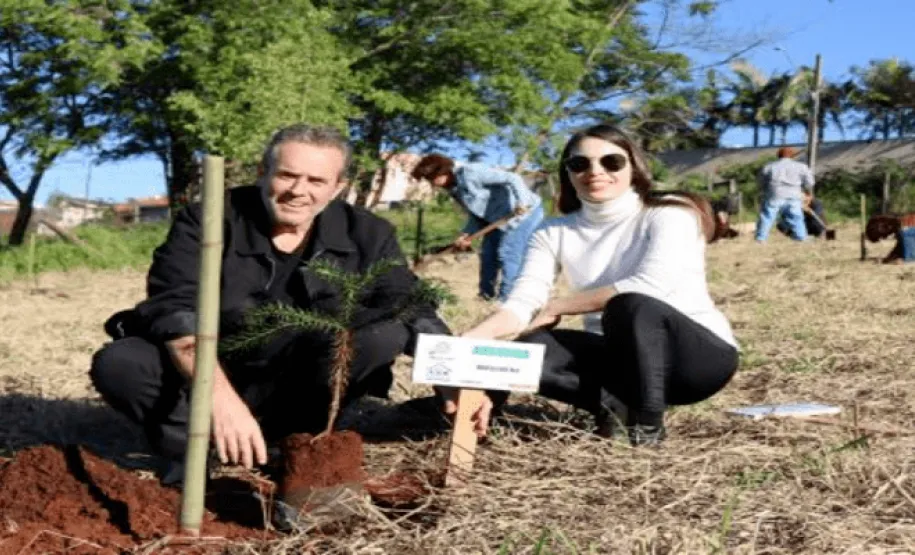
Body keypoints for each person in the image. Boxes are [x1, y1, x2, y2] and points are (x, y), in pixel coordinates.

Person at [90, 124, 451, 482]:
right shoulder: (209, 220)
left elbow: (407, 302)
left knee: (381, 335)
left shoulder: (368, 233)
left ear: (338, 187)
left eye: (316, 181)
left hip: (300, 382)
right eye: (287, 175)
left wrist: (452, 375)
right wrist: (219, 399)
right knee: (122, 363)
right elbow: (175, 308)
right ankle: (193, 452)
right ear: (264, 172)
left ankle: (294, 444)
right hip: (212, 370)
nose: (298, 191)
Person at [451, 124, 739, 445]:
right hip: (620, 360)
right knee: (531, 348)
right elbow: (524, 301)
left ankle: (646, 430)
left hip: (693, 362)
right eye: (580, 164)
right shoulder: (552, 231)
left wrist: (559, 306)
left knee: (630, 305)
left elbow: (651, 285)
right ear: (568, 173)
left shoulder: (670, 213)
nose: (595, 171)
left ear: (634, 166)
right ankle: (614, 407)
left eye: (611, 162)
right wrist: (471, 343)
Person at [410, 154, 544, 301]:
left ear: (443, 171)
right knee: (487, 256)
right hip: (497, 220)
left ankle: (507, 302)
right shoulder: (454, 189)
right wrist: (466, 234)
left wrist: (522, 203)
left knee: (508, 254)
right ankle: (485, 297)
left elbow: (513, 178)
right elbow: (476, 215)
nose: (432, 183)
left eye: (432, 178)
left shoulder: (471, 172)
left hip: (524, 214)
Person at [755, 146, 815, 242]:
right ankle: (801, 237)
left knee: (767, 217)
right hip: (794, 195)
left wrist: (765, 192)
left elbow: (760, 182)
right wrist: (806, 192)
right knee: (796, 217)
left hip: (775, 195)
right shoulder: (802, 167)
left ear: (778, 156)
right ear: (792, 156)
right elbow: (810, 183)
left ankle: (761, 238)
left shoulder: (769, 166)